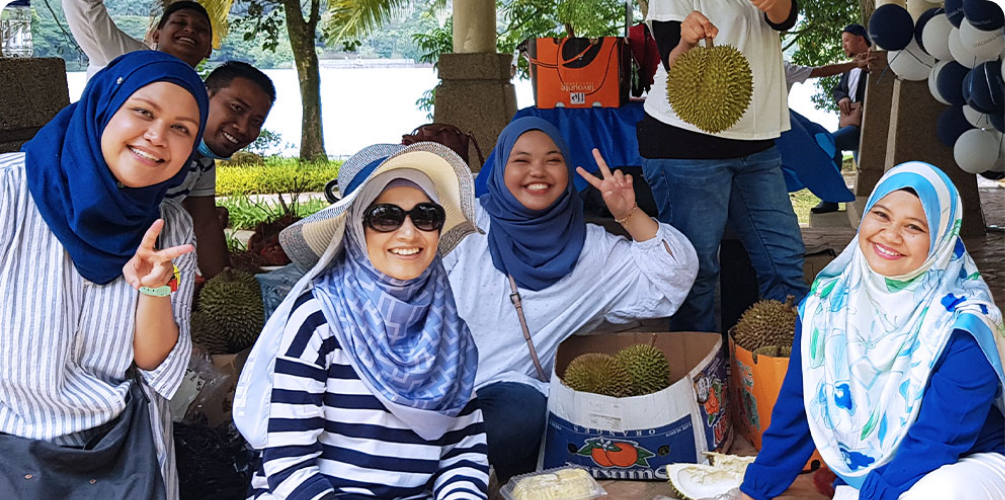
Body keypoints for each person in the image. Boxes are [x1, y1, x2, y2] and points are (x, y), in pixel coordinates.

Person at [0, 51, 209, 500]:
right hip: (10, 443)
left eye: (181, 128)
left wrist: (155, 288)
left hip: (119, 454)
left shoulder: (171, 228)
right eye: (144, 112)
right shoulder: (8, 192)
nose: (158, 136)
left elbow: (154, 366)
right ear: (103, 107)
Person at [443, 117, 699, 481]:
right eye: (521, 160)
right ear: (499, 169)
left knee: (522, 417)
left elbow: (673, 276)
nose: (538, 171)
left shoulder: (592, 251)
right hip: (430, 382)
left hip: (501, 396)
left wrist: (629, 214)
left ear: (568, 171)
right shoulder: (465, 224)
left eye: (553, 160)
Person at [739, 162, 1005, 500]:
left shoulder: (964, 324)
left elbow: (937, 442)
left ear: (941, 239)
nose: (890, 235)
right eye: (881, 215)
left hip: (968, 462)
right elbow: (800, 406)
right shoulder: (826, 305)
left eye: (914, 227)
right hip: (880, 466)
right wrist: (755, 489)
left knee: (940, 492)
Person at [240, 143, 489, 500]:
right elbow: (289, 464)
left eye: (425, 216)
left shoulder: (451, 333)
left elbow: (463, 454)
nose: (409, 233)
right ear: (356, 228)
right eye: (386, 217)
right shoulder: (319, 319)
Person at [638, 0, 808, 334]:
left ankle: (789, 360)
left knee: (785, 262)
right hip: (686, 144)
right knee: (695, 272)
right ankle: (699, 364)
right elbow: (674, 63)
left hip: (757, 143)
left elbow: (784, 18)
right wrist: (687, 41)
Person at [165, 61, 276, 277]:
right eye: (237, 108)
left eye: (256, 121)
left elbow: (205, 225)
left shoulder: (202, 164)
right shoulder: (156, 149)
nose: (243, 128)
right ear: (203, 96)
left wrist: (224, 283)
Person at [63, 0, 213, 78]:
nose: (190, 29)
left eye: (201, 28)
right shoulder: (131, 58)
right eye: (180, 22)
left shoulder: (201, 95)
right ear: (156, 35)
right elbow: (82, 4)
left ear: (209, 50)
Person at [812, 23, 873, 214]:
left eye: (847, 40)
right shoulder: (849, 67)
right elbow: (838, 89)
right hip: (850, 122)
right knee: (836, 147)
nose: (844, 45)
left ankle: (831, 199)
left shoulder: (873, 62)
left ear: (860, 38)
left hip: (867, 125)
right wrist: (842, 98)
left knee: (830, 142)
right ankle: (833, 197)